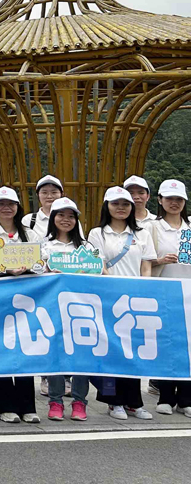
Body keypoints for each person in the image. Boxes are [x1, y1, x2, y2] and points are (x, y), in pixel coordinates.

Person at [88, 186, 156, 421]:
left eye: (125, 204)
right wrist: (115, 286)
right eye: (115, 204)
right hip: (108, 298)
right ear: (107, 206)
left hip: (136, 299)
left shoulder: (142, 233)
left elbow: (146, 265)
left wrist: (142, 288)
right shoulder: (97, 233)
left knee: (133, 351)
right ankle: (113, 401)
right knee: (111, 351)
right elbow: (99, 264)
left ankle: (134, 403)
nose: (121, 208)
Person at [0, 186, 41, 423]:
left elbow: (41, 263)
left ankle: (28, 406)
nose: (7, 208)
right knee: (1, 348)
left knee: (25, 348)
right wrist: (5, 270)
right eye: (1, 204)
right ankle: (3, 405)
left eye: (11, 204)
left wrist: (29, 267)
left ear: (18, 207)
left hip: (27, 297)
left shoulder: (30, 234)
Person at [39, 196, 92, 422]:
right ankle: (55, 402)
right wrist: (49, 274)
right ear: (53, 218)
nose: (66, 220)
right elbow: (36, 273)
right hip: (53, 308)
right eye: (61, 215)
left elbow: (97, 273)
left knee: (82, 355)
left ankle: (79, 402)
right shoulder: (44, 244)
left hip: (82, 309)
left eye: (71, 216)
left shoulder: (87, 247)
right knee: (56, 355)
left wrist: (86, 274)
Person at [149, 180, 191, 415]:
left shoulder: (190, 226)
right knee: (167, 345)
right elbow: (144, 258)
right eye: (169, 198)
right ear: (160, 200)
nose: (174, 203)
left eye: (179, 199)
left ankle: (186, 398)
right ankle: (165, 396)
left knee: (189, 348)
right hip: (164, 292)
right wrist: (160, 260)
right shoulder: (152, 228)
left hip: (189, 292)